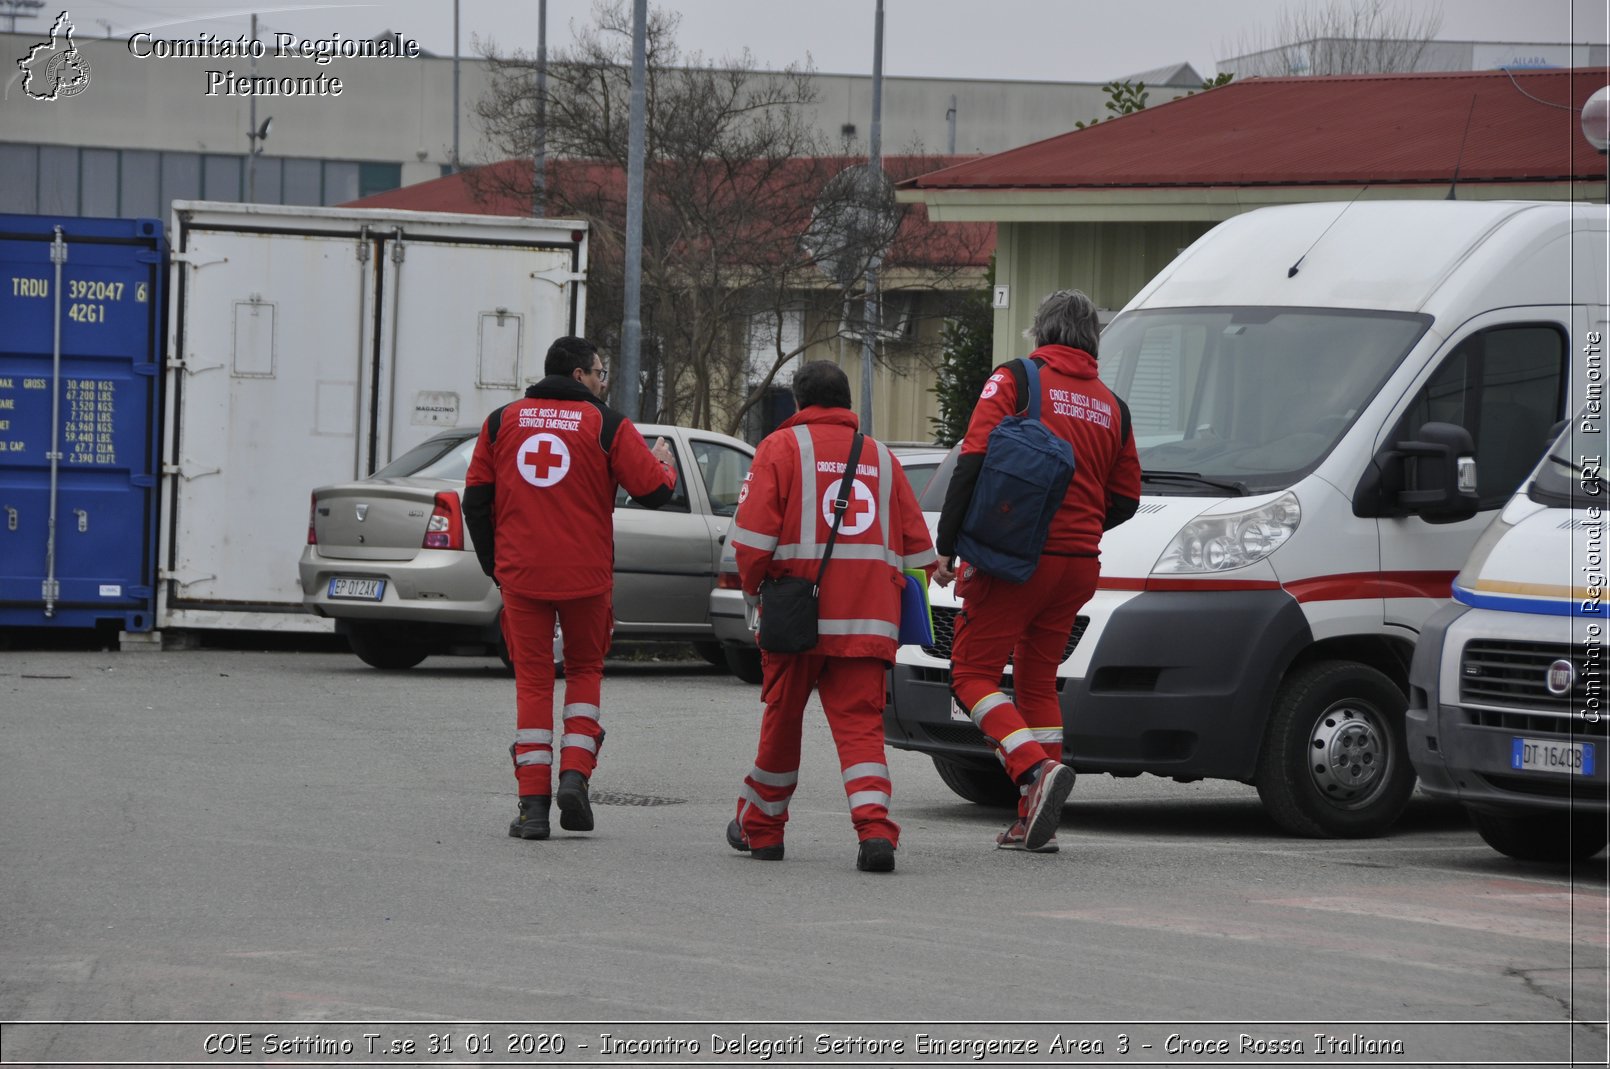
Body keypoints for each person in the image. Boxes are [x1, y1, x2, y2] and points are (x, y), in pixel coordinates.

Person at [934, 289, 1141, 854]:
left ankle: (1032, 771)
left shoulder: (1017, 380)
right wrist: (1080, 523)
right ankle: (1033, 817)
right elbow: (1125, 499)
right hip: (1078, 566)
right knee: (1035, 681)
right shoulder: (1112, 406)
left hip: (1013, 560)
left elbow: (973, 458)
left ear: (1040, 332)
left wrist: (947, 544)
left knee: (971, 674)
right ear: (1092, 339)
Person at [726, 361, 937, 873]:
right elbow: (918, 554)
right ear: (847, 404)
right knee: (861, 730)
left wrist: (758, 593)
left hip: (798, 617)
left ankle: (763, 829)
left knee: (782, 721)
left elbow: (751, 544)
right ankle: (874, 831)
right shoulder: (883, 460)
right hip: (868, 621)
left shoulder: (780, 449)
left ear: (799, 402)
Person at [463, 336, 677, 841]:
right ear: (579, 375)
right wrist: (662, 459)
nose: (604, 382)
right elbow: (656, 491)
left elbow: (475, 500)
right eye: (601, 373)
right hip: (586, 578)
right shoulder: (607, 423)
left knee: (533, 683)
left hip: (523, 576)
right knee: (584, 671)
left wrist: (498, 566)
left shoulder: (501, 421)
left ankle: (532, 808)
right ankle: (575, 778)